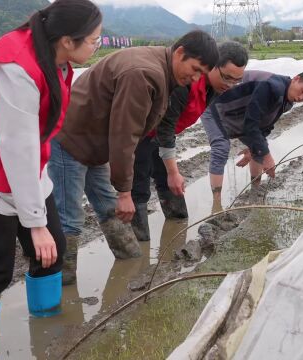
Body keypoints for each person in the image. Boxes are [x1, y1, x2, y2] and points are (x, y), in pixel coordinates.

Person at [0, 0, 102, 356]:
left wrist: (39, 218)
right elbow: (16, 147)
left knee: (53, 250)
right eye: (93, 39)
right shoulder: (15, 66)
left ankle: (46, 324)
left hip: (27, 171)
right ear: (67, 39)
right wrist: (35, 223)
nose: (97, 44)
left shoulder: (56, 61)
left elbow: (34, 143)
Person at [48, 30, 219, 285]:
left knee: (110, 209)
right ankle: (61, 285)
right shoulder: (143, 73)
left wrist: (120, 192)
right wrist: (125, 192)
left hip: (95, 143)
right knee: (70, 218)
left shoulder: (162, 70)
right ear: (180, 52)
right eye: (194, 69)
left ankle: (131, 265)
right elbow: (124, 135)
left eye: (200, 75)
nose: (194, 79)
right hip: (71, 140)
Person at [129, 41, 249, 241]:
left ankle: (176, 229)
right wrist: (173, 172)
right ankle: (139, 246)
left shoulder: (214, 89)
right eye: (227, 77)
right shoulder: (185, 86)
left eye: (236, 81)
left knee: (170, 185)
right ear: (212, 66)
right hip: (140, 136)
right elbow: (165, 128)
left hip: (161, 136)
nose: (229, 85)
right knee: (139, 189)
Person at [200, 70, 303, 203]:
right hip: (216, 108)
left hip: (239, 115)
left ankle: (254, 195)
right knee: (221, 147)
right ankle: (216, 205)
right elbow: (251, 124)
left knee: (259, 148)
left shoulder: (287, 101)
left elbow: (265, 125)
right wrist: (267, 156)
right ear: (296, 79)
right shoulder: (270, 87)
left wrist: (254, 149)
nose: (301, 98)